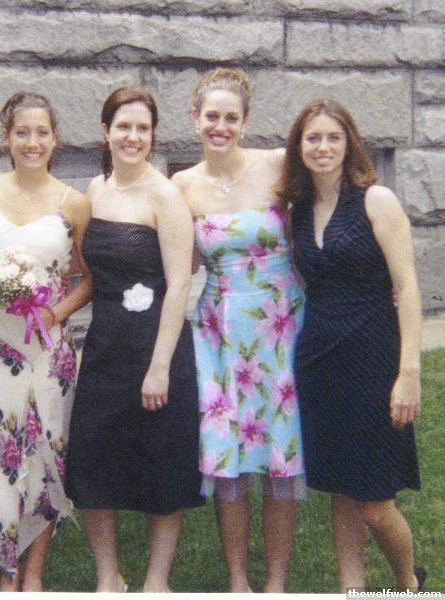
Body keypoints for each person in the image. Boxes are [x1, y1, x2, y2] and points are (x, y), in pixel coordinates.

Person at [279, 98, 425, 593]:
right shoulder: (297, 212)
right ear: (299, 147)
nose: (323, 147)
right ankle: (353, 589)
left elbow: (407, 289)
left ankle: (408, 584)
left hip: (374, 361)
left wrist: (409, 372)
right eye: (312, 138)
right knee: (342, 488)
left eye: (333, 137)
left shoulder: (375, 201)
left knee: (375, 504)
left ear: (349, 144)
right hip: (320, 363)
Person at [172, 68, 306, 593]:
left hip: (282, 326)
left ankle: (276, 582)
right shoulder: (182, 185)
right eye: (212, 117)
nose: (220, 127)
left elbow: (332, 206)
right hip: (220, 332)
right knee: (229, 457)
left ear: (246, 121)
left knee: (279, 455)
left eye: (231, 118)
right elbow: (175, 262)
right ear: (195, 119)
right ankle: (238, 582)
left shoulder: (278, 164)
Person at [66, 86, 203, 593]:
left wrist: (159, 366)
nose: (133, 136)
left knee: (160, 464)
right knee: (93, 461)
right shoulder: (94, 191)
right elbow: (87, 271)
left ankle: (155, 582)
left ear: (153, 135)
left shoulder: (165, 196)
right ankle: (108, 577)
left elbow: (180, 283)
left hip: (156, 345)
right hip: (105, 346)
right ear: (105, 131)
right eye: (123, 126)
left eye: (143, 128)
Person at [0, 91, 92, 592]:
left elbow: (89, 279)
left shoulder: (72, 203)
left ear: (55, 139)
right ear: (7, 137)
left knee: (44, 450)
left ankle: (33, 569)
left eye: (42, 132)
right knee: (1, 450)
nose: (32, 142)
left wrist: (53, 312)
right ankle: (7, 568)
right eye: (22, 132)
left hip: (47, 347)